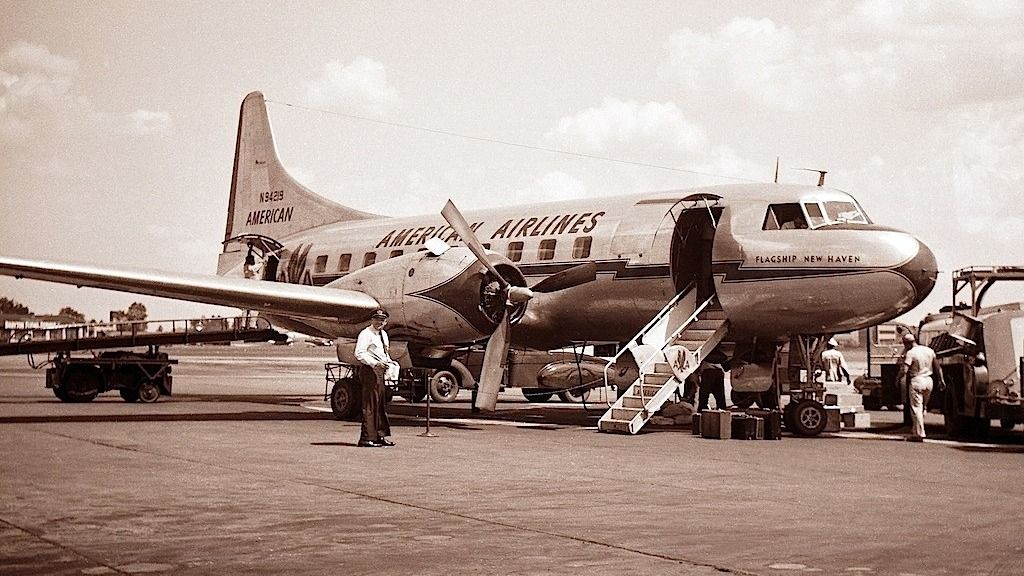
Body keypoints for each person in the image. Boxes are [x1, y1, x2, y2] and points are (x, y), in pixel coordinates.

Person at [354, 309, 398, 447]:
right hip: (370, 370)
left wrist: (389, 363)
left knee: (380, 404)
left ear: (385, 322)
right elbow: (359, 353)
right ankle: (366, 438)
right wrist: (374, 364)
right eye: (376, 319)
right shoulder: (366, 334)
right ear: (371, 320)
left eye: (382, 320)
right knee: (370, 404)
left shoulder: (383, 334)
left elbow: (385, 353)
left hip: (380, 371)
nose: (379, 322)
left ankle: (380, 435)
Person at [896, 332, 945, 442]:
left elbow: (904, 369)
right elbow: (938, 367)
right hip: (929, 381)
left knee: (916, 408)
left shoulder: (911, 353)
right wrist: (941, 380)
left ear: (906, 343)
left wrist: (898, 378)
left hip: (917, 380)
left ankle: (920, 433)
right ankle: (916, 430)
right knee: (923, 407)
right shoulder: (929, 350)